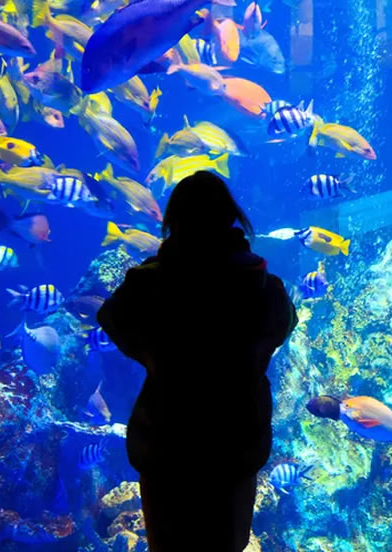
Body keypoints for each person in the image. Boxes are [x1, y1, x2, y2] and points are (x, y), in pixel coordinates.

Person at [98, 171, 297, 552]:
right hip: (236, 441)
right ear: (231, 218)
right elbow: (283, 325)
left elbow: (111, 318)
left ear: (173, 220)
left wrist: (153, 357)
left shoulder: (149, 284)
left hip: (166, 440)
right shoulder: (262, 285)